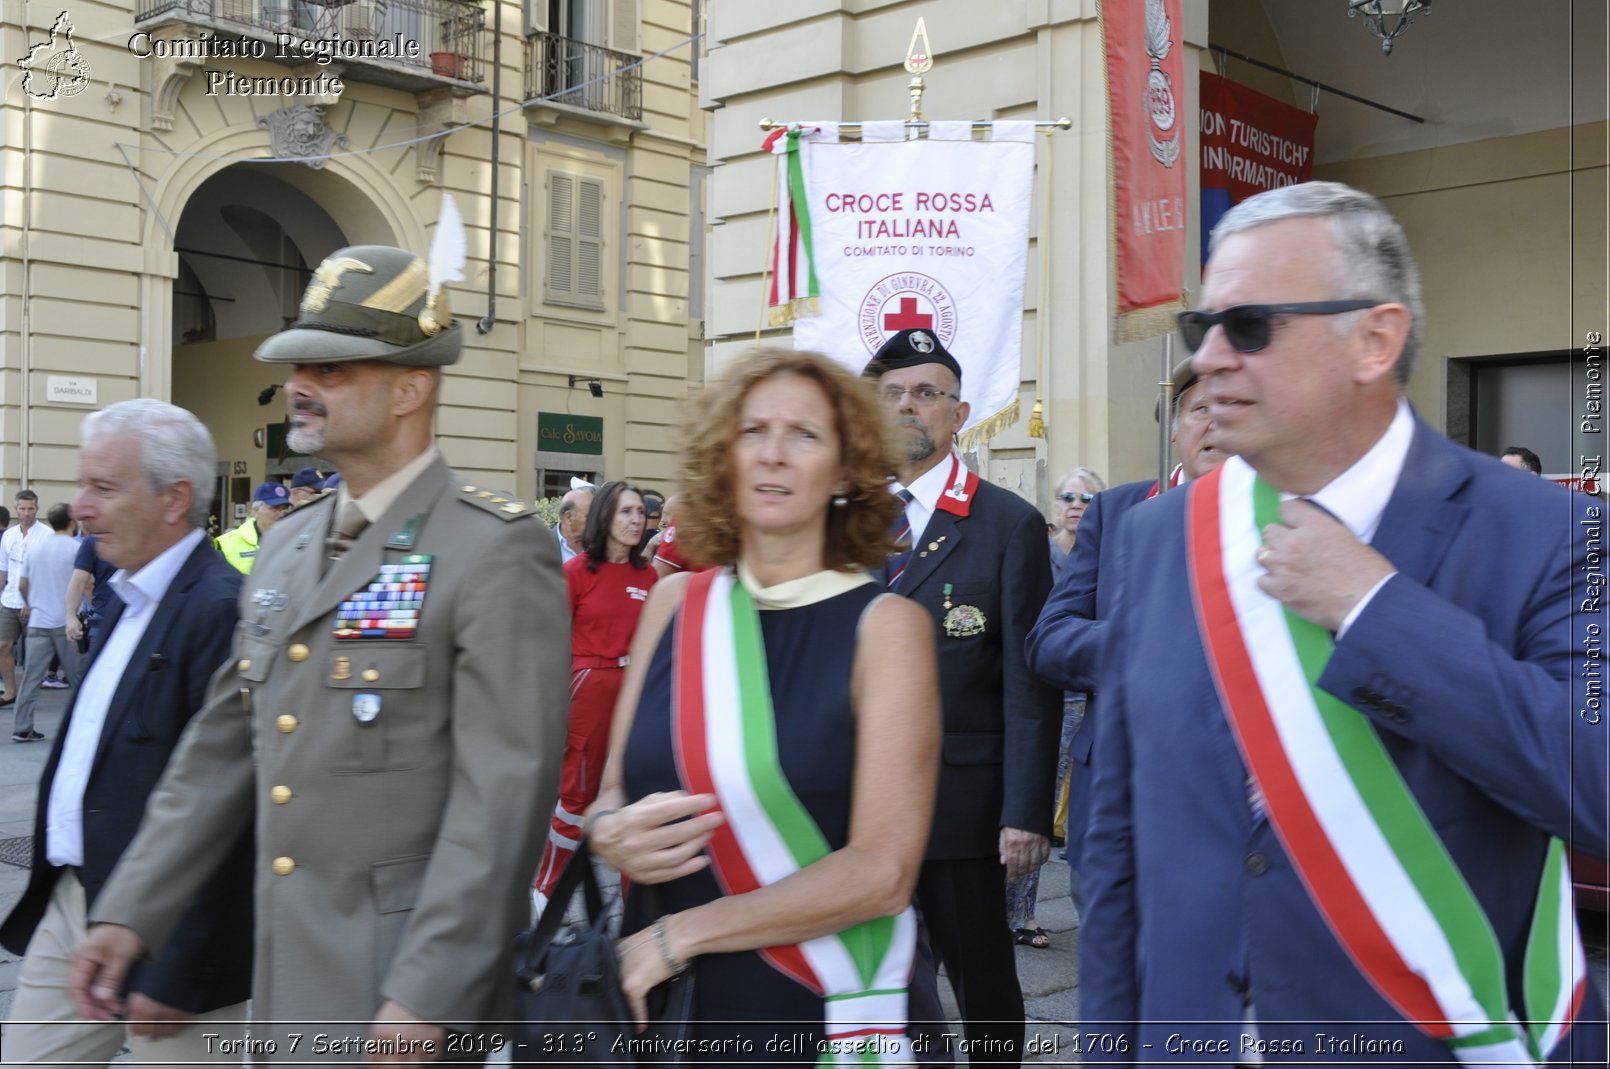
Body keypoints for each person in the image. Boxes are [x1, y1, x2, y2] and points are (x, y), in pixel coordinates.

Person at [1077, 181, 1606, 1063]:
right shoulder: (1158, 537)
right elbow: (1116, 848)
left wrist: (1374, 609)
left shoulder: (1552, 533)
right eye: (1199, 327)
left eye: (1248, 326)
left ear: (1375, 338)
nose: (1208, 357)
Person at [68, 243, 571, 1058]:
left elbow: (500, 804)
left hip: (397, 993)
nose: (303, 385)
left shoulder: (492, 551)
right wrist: (133, 905)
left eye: (333, 368)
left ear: (411, 388)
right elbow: (221, 746)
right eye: (300, 363)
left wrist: (427, 993)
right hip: (288, 980)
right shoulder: (288, 544)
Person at [587, 348, 940, 1061]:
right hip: (664, 1009)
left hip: (820, 1009)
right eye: (753, 431)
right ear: (725, 456)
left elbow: (883, 871)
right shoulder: (672, 605)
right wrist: (607, 832)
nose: (773, 453)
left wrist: (679, 935)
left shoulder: (887, 628)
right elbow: (611, 790)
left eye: (804, 434)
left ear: (845, 469)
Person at [0, 400, 252, 1065]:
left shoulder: (220, 609)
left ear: (175, 499)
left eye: (103, 488)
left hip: (172, 931)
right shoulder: (128, 595)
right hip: (77, 901)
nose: (80, 506)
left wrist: (181, 962)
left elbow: (231, 800)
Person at [865, 328, 1061, 1063]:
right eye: (891, 393)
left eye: (925, 392)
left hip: (962, 812)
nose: (907, 406)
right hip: (853, 806)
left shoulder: (1005, 523)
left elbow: (1028, 680)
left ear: (960, 411)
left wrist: (1024, 812)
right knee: (863, 987)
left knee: (982, 988)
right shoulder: (840, 519)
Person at [1027, 359, 1227, 907]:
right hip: (1123, 790)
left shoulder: (1288, 515)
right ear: (1177, 426)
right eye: (1202, 408)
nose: (1216, 422)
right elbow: (1050, 640)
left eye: (1233, 406)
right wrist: (1145, 642)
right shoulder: (1117, 511)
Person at [532, 479, 657, 903]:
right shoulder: (576, 572)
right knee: (577, 797)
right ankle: (546, 890)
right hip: (589, 691)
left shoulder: (649, 576)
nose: (636, 519)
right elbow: (547, 642)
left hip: (637, 694)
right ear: (605, 515)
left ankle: (631, 898)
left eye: (640, 512)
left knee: (632, 794)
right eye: (626, 511)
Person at [10, 504, 83, 742]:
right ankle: (82, 727)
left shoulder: (36, 548)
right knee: (77, 678)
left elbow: (22, 584)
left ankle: (22, 727)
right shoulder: (76, 548)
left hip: (38, 621)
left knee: (31, 677)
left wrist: (31, 602)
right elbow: (87, 583)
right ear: (72, 521)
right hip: (66, 622)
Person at [0, 490, 49, 705]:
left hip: (34, 602)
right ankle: (10, 692)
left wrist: (32, 600)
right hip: (8, 600)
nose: (26, 513)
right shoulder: (9, 535)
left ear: (37, 509)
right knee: (2, 646)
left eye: (30, 508)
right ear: (16, 509)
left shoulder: (46, 535)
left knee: (34, 653)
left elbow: (46, 572)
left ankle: (28, 697)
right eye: (22, 508)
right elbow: (3, 568)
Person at [214, 481, 291, 574]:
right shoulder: (227, 543)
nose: (281, 513)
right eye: (274, 508)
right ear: (256, 510)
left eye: (284, 508)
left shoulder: (293, 541)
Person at [1048, 470, 1105, 587]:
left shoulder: (1107, 555)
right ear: (1057, 506)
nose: (1076, 505)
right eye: (1068, 497)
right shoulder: (1041, 552)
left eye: (1087, 499)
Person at [66, 535, 118, 655]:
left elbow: (80, 583)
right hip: (102, 620)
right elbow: (78, 582)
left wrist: (71, 617)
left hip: (109, 620)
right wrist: (70, 616)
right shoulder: (93, 541)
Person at [556, 485, 593, 564]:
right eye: (590, 516)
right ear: (569, 518)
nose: (596, 520)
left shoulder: (600, 546)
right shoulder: (542, 546)